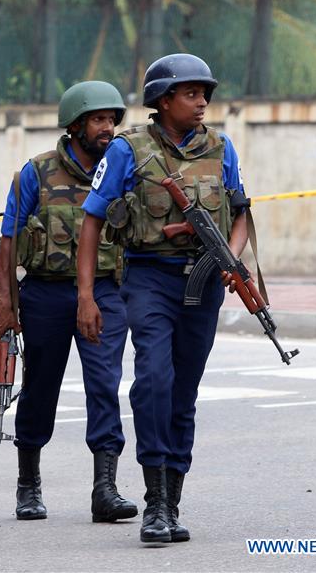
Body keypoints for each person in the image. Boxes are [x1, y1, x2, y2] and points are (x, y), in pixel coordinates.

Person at [76, 54, 249, 544]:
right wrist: (86, 295)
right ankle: (153, 500)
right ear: (163, 100)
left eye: (204, 95)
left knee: (184, 389)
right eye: (191, 94)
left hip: (206, 279)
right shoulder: (129, 151)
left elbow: (240, 214)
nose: (201, 103)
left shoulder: (222, 148)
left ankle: (173, 500)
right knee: (154, 377)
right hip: (149, 277)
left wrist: (231, 260)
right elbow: (92, 219)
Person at [0, 81, 136, 523]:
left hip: (105, 289)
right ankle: (28, 484)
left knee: (105, 383)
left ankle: (105, 488)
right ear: (75, 126)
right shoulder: (38, 172)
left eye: (111, 119)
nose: (108, 128)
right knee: (42, 388)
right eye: (98, 120)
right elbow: (9, 239)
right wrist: (5, 302)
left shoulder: (123, 167)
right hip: (47, 292)